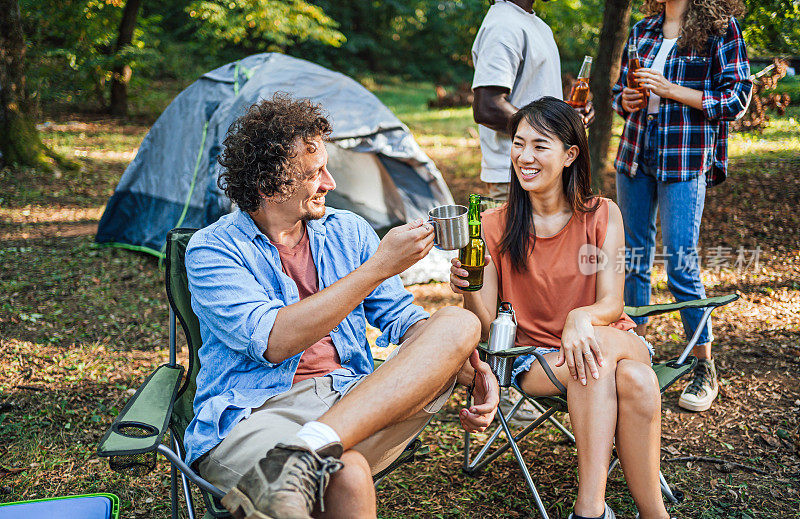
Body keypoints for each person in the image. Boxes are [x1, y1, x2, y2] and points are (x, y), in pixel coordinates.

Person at [183, 93, 499, 519]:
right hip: (255, 414)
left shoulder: (348, 231)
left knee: (458, 323)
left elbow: (405, 322)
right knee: (346, 474)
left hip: (353, 400)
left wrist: (466, 362)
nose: (330, 184)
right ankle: (308, 455)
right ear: (268, 184)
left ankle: (304, 452)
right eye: (315, 174)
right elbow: (275, 340)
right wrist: (377, 267)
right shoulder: (212, 250)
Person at [451, 97, 671, 519]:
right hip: (534, 358)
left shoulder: (603, 214)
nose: (524, 156)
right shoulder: (494, 226)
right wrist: (468, 286)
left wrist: (580, 317)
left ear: (570, 155)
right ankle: (626, 512)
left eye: (539, 145)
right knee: (632, 379)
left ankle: (603, 511)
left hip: (611, 339)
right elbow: (485, 322)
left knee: (600, 356)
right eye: (518, 143)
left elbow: (612, 302)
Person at [612, 0, 751, 412]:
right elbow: (622, 92)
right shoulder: (644, 28)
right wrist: (628, 101)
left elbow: (737, 99)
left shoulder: (719, 29)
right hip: (636, 154)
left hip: (685, 158)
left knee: (680, 263)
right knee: (633, 259)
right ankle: (632, 356)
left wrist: (670, 90)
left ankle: (703, 366)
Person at [471, 0, 594, 203]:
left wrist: (569, 115)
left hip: (545, 171)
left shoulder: (538, 26)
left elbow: (532, 102)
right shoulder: (502, 25)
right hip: (517, 175)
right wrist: (557, 127)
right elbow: (487, 107)